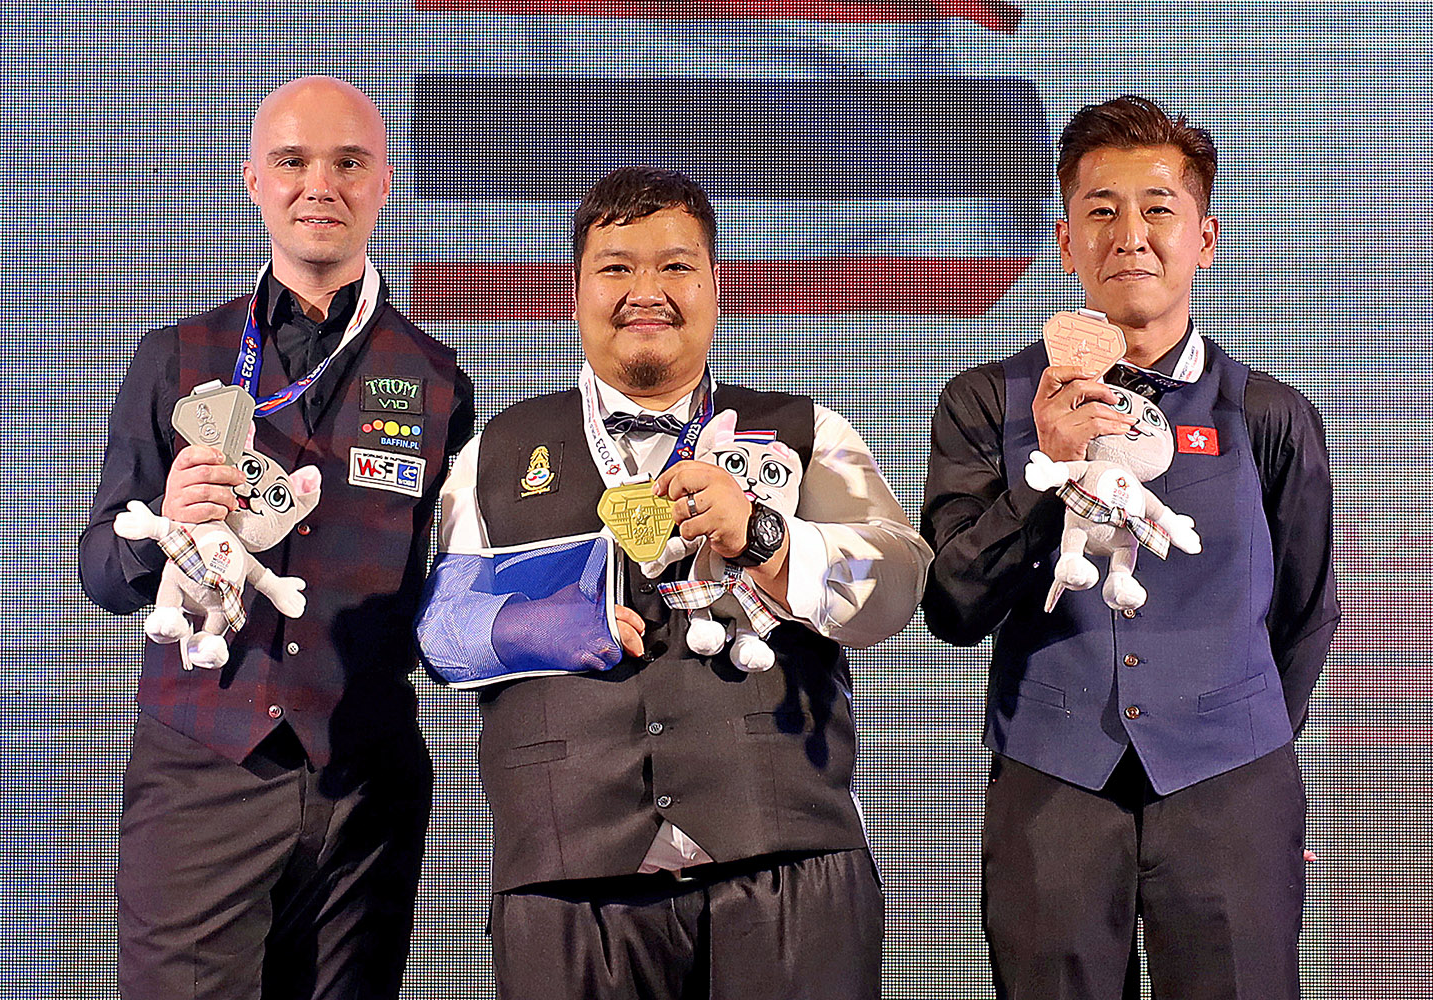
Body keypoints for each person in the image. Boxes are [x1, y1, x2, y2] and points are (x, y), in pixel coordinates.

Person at [423, 166, 931, 999]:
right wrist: (530, 626)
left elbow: (901, 579)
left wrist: (765, 537)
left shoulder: (804, 433)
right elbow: (440, 629)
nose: (645, 290)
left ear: (716, 285)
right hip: (568, 881)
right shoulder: (500, 449)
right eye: (616, 267)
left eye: (674, 266)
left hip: (787, 869)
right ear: (576, 290)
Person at [920, 94, 1339, 999]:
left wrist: (1235, 735)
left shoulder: (1268, 413)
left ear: (1205, 237)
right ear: (1066, 243)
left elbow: (1305, 612)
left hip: (1232, 789)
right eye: (1101, 211)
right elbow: (952, 605)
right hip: (1051, 784)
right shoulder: (988, 403)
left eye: (1158, 209)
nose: (1131, 235)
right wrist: (1050, 470)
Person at [79, 76, 475, 999]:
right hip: (200, 775)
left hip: (363, 788)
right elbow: (104, 568)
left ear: (383, 184)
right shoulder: (175, 356)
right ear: (252, 180)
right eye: (293, 162)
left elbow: (447, 589)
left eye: (349, 164)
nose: (319, 185)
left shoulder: (435, 378)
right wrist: (162, 528)